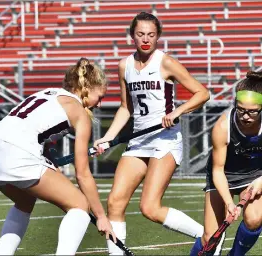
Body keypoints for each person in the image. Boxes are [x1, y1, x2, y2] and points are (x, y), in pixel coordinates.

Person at [92, 12, 211, 255]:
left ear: (158, 37)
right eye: (140, 34)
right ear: (132, 36)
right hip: (138, 140)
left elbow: (202, 93)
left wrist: (177, 111)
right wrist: (107, 137)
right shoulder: (124, 66)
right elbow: (126, 108)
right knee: (115, 202)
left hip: (164, 140)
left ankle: (207, 237)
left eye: (151, 34)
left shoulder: (165, 62)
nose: (146, 39)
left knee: (149, 207)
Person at [0, 58, 116, 255]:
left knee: (24, 202)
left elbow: (38, 133)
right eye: (99, 97)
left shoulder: (47, 93)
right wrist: (101, 216)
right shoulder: (79, 113)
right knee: (80, 205)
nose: (100, 104)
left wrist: (49, 160)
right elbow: (83, 174)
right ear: (86, 87)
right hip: (17, 155)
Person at [190, 71, 262, 256]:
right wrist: (228, 203)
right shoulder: (222, 126)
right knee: (210, 237)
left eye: (252, 111)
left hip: (256, 173)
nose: (245, 116)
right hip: (224, 174)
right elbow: (217, 170)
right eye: (240, 109)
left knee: (253, 220)